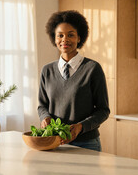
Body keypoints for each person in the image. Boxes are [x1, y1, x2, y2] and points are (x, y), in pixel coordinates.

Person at [37, 10, 110, 151]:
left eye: (70, 35)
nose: (65, 40)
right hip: (54, 142)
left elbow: (103, 110)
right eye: (60, 35)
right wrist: (44, 117)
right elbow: (42, 106)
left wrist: (80, 127)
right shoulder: (47, 70)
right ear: (54, 38)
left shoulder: (93, 69)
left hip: (87, 144)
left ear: (79, 38)